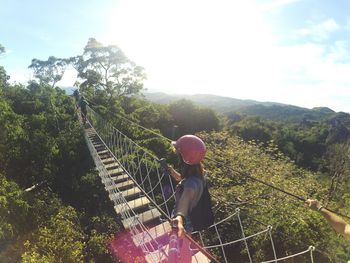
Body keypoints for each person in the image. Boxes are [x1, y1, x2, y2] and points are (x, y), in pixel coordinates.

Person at [168, 135, 212, 238]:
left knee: (183, 243)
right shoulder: (200, 173)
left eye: (179, 154)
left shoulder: (191, 183)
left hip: (184, 220)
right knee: (186, 242)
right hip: (189, 218)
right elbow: (183, 180)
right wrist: (172, 171)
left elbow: (186, 196)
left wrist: (179, 217)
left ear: (184, 158)